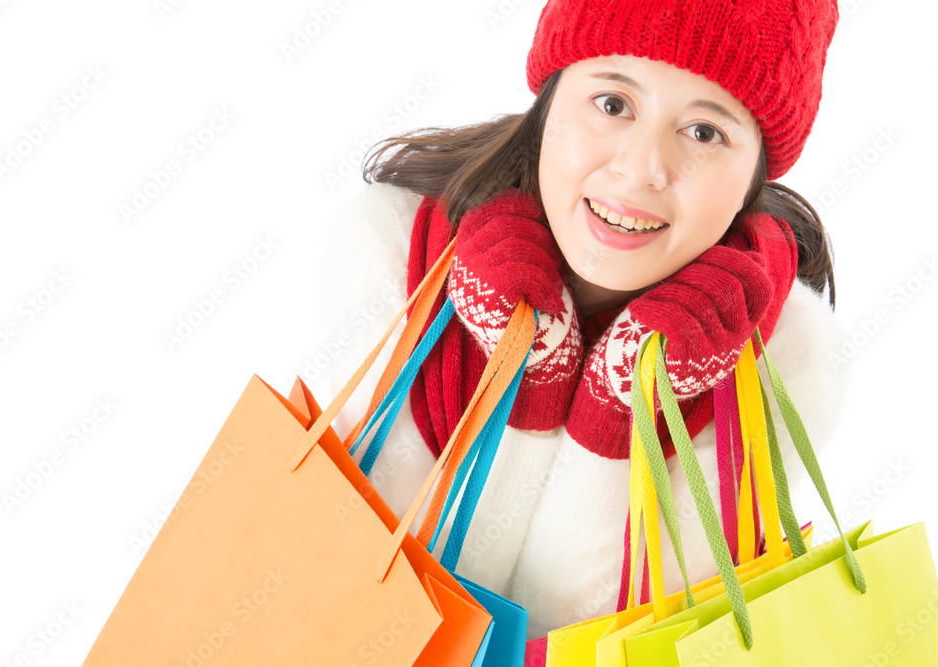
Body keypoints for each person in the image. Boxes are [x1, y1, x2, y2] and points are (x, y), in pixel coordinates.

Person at [316, 0, 844, 641]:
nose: (641, 169)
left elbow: (590, 644)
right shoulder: (390, 249)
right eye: (613, 104)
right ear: (550, 103)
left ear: (756, 172)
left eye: (705, 132)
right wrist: (527, 374)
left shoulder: (778, 359)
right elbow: (365, 607)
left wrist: (618, 410)